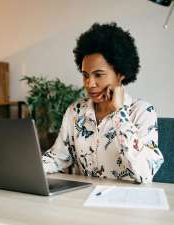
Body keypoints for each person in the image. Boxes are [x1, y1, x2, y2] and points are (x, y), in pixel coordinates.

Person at [42, 22, 164, 183]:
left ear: (120, 74)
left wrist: (120, 113)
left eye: (98, 75)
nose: (89, 83)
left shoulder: (142, 111)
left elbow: (145, 173)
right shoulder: (76, 111)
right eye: (86, 75)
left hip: (128, 203)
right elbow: (58, 157)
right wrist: (26, 167)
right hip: (85, 202)